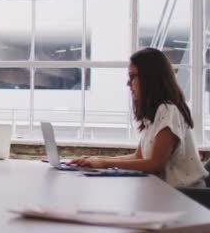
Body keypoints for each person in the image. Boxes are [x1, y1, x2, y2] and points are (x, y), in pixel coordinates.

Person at [70, 47, 208, 187]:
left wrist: (104, 163)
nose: (128, 84)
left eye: (132, 76)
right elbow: (138, 157)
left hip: (186, 196)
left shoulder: (168, 110)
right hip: (168, 192)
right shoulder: (155, 113)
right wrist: (96, 159)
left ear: (149, 78)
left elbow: (154, 164)